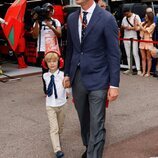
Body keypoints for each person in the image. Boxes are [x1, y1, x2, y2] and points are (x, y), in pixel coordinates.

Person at [63, 0, 120, 158]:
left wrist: (114, 84)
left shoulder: (107, 19)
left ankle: (93, 154)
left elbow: (114, 53)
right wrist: (67, 73)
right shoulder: (72, 18)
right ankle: (89, 147)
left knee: (97, 122)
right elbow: (70, 49)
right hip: (78, 77)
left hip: (99, 77)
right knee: (84, 120)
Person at [32, 3, 62, 94]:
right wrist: (37, 21)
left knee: (57, 70)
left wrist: (50, 26)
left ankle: (58, 88)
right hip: (43, 50)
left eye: (51, 10)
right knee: (45, 71)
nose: (49, 12)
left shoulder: (56, 21)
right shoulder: (39, 22)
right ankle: (47, 90)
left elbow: (59, 34)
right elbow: (35, 36)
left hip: (54, 49)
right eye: (47, 10)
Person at [43, 50, 67, 158]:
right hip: (50, 105)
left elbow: (67, 88)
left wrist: (68, 90)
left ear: (59, 62)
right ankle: (57, 150)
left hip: (62, 104)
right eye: (49, 62)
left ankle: (57, 138)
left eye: (54, 61)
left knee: (60, 127)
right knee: (54, 128)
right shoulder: (45, 76)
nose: (52, 63)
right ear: (46, 63)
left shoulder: (63, 75)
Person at [121, 7, 141, 75]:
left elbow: (140, 27)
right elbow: (122, 26)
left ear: (129, 11)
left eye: (127, 14)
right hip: (126, 37)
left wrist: (131, 28)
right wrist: (123, 27)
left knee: (135, 53)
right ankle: (130, 68)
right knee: (128, 54)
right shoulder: (124, 18)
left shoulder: (136, 16)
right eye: (125, 14)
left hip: (133, 37)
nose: (126, 15)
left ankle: (138, 69)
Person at [138, 11, 155, 77]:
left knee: (148, 58)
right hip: (142, 41)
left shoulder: (153, 24)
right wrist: (136, 25)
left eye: (146, 17)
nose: (145, 18)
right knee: (143, 58)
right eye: (145, 16)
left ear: (150, 17)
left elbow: (146, 31)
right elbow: (137, 28)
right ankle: (143, 71)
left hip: (148, 41)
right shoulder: (143, 23)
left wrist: (140, 25)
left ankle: (148, 72)